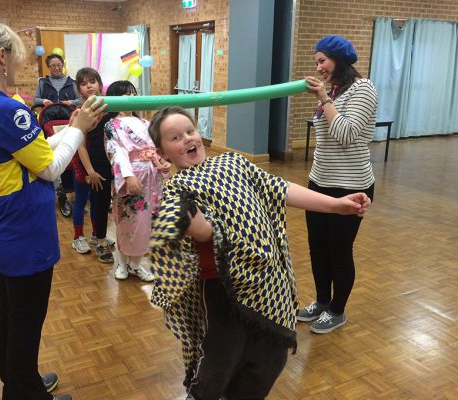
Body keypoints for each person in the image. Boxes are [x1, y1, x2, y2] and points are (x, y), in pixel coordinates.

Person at [147, 106, 371, 400]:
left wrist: (336, 204)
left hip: (269, 284)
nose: (188, 139)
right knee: (218, 364)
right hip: (224, 294)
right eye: (175, 137)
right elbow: (204, 232)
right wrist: (182, 211)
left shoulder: (233, 163)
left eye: (190, 131)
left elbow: (279, 188)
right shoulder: (177, 189)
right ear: (162, 153)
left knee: (271, 358)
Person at [0, 17, 105, 400]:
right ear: (2, 55)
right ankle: (26, 392)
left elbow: (33, 158)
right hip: (23, 234)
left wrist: (71, 128)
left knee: (10, 313)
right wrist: (81, 128)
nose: (19, 63)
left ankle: (21, 382)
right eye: (15, 56)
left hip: (0, 228)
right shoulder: (8, 111)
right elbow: (50, 168)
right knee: (25, 322)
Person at [296, 35, 377, 334]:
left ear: (339, 58)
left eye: (322, 60)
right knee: (317, 248)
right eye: (316, 62)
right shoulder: (333, 90)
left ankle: (337, 310)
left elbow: (346, 134)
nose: (318, 67)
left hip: (351, 186)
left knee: (339, 251)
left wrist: (324, 99)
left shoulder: (363, 89)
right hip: (319, 184)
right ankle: (321, 302)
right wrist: (327, 97)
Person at [104, 80, 170, 282]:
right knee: (127, 222)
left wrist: (161, 162)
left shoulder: (145, 124)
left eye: (134, 93)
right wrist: (128, 176)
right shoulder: (111, 125)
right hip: (131, 176)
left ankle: (137, 264)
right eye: (126, 94)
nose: (132, 98)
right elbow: (116, 152)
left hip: (151, 177)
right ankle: (122, 263)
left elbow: (155, 149)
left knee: (146, 222)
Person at [71, 67, 115, 262]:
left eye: (92, 81)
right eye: (83, 83)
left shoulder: (109, 108)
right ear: (79, 90)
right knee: (88, 201)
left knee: (103, 202)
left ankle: (98, 236)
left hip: (107, 164)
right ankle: (86, 238)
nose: (89, 86)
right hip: (89, 165)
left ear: (99, 83)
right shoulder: (80, 112)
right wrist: (90, 171)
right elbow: (80, 147)